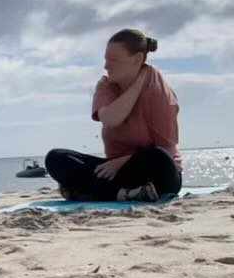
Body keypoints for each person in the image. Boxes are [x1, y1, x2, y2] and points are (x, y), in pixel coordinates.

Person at [45, 28, 183, 202]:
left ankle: (91, 192)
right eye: (105, 60)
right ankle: (124, 194)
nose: (106, 66)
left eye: (113, 60)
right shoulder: (106, 86)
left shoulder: (159, 94)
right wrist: (139, 82)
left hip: (156, 174)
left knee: (157, 157)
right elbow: (111, 119)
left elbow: (166, 151)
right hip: (114, 173)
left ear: (137, 59)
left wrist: (123, 161)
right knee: (56, 158)